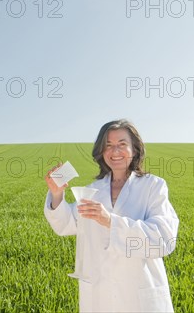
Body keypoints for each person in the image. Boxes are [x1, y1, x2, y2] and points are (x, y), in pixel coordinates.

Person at [43, 119, 179, 312]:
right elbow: (66, 225)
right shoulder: (92, 190)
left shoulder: (153, 186)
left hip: (139, 295)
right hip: (100, 295)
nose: (115, 151)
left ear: (135, 149)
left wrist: (110, 221)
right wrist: (57, 193)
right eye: (108, 145)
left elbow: (163, 239)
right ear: (101, 152)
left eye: (122, 144)